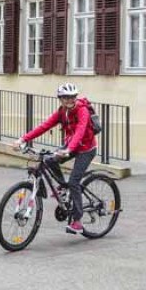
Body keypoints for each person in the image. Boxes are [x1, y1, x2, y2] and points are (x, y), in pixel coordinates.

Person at [12, 83, 97, 235]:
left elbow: (80, 130)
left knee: (74, 182)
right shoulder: (62, 112)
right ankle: (63, 188)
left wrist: (68, 150)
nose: (69, 100)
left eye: (72, 97)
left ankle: (77, 220)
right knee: (49, 160)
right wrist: (23, 139)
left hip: (86, 149)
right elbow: (44, 127)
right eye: (65, 98)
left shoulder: (82, 110)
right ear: (60, 99)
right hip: (71, 145)